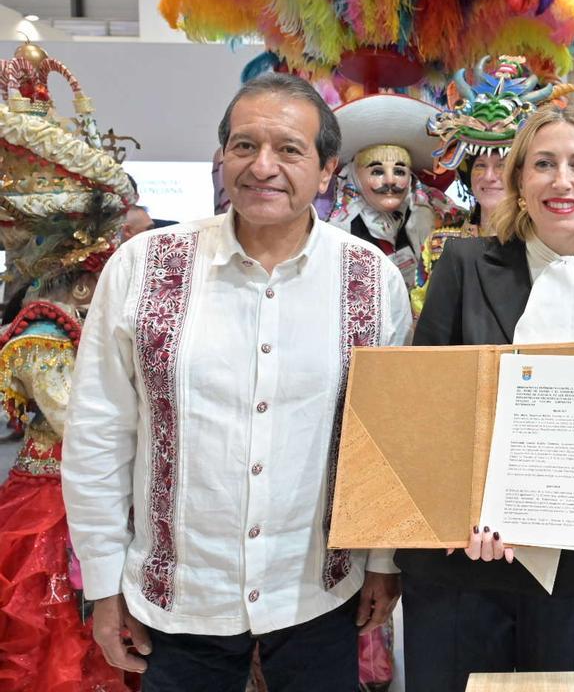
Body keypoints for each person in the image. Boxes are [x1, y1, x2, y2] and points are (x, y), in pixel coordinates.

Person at [61, 74, 411, 691]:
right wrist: (104, 583)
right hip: (180, 598)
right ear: (222, 155)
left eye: (289, 149)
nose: (262, 166)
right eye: (245, 145)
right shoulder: (145, 266)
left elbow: (386, 435)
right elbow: (99, 432)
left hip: (317, 593)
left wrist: (384, 560)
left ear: (327, 171)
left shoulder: (369, 278)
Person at [399, 105, 574, 691]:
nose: (561, 181)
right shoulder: (463, 264)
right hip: (462, 557)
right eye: (544, 164)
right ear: (519, 179)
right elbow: (425, 406)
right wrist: (453, 512)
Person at [0, 46, 137, 691]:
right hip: (56, 505)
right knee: (60, 648)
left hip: (102, 493)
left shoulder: (77, 324)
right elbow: (80, 423)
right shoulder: (43, 335)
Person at [414, 55, 574, 315]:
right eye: (480, 165)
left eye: (501, 165)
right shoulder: (440, 244)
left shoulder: (546, 245)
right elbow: (424, 321)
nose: (489, 176)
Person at [327, 92, 464, 291]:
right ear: (355, 177)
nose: (390, 180)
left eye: (399, 171)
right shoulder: (333, 231)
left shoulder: (440, 216)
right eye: (377, 171)